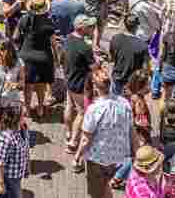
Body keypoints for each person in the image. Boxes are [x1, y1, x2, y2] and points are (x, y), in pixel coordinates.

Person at [76, 70, 138, 198]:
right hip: (118, 157)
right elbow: (132, 131)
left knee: (97, 193)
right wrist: (137, 152)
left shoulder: (94, 109)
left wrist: (78, 155)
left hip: (98, 158)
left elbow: (86, 139)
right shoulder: (124, 103)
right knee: (105, 185)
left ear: (94, 87)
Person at [17, 0, 57, 117]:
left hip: (26, 55)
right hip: (44, 56)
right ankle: (40, 108)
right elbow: (54, 43)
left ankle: (27, 109)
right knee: (41, 84)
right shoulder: (48, 22)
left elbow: (16, 37)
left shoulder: (24, 19)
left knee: (28, 85)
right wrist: (57, 57)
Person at [64, 14, 96, 153]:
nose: (92, 28)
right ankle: (73, 143)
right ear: (82, 28)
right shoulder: (84, 47)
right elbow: (94, 67)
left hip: (69, 78)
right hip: (79, 83)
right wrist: (99, 61)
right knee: (82, 112)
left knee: (69, 106)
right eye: (89, 26)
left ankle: (68, 132)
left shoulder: (68, 38)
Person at [0, 102, 31, 198]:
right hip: (10, 176)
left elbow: (26, 149)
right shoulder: (7, 138)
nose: (26, 117)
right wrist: (0, 182)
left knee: (6, 195)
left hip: (18, 172)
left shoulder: (23, 128)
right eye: (24, 115)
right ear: (15, 118)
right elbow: (0, 163)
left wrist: (27, 166)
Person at [110, 14, 150, 96]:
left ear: (125, 24)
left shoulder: (115, 38)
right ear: (137, 26)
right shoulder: (143, 45)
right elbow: (145, 69)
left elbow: (112, 57)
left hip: (117, 79)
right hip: (132, 84)